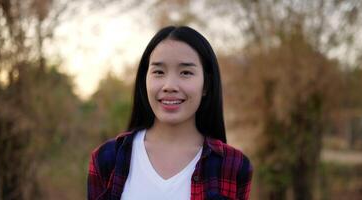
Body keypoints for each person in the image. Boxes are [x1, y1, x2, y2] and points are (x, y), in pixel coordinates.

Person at [87, 26, 253, 200]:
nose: (170, 86)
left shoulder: (234, 166)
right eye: (159, 72)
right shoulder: (107, 158)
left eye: (186, 72)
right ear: (145, 79)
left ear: (206, 85)